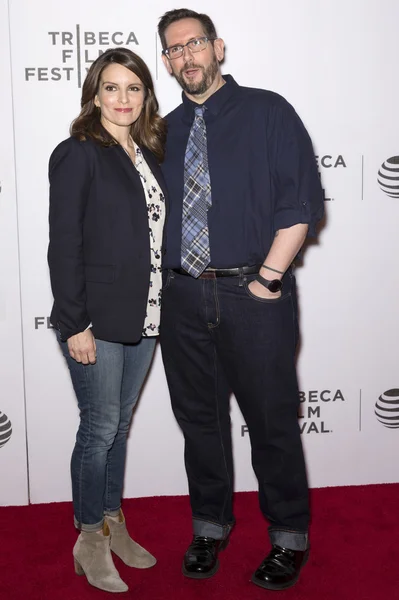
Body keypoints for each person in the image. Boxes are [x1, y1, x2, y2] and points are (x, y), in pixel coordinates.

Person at [158, 8, 324, 591]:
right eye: (174, 50)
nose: (187, 57)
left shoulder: (267, 111)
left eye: (195, 43)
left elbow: (298, 202)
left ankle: (288, 537)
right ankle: (210, 525)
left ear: (218, 47)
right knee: (199, 422)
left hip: (252, 291)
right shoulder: (164, 129)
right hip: (180, 295)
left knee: (272, 419)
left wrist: (268, 280)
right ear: (166, 62)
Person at [48, 47, 167, 593]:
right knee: (98, 428)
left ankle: (113, 523)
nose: (123, 99)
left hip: (147, 314)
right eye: (112, 88)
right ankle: (88, 537)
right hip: (95, 317)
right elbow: (64, 245)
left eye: (134, 88)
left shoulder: (148, 152)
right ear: (94, 94)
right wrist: (74, 322)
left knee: (118, 425)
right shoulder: (78, 153)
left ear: (146, 95)